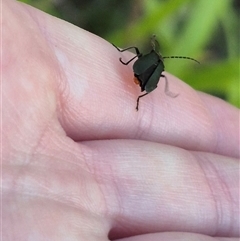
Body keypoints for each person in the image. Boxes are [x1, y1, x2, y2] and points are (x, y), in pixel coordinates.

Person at [3, 1, 239, 240]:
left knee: (140, 61)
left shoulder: (151, 61)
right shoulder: (157, 68)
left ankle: (134, 84)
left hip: (140, 77)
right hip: (141, 81)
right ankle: (136, 91)